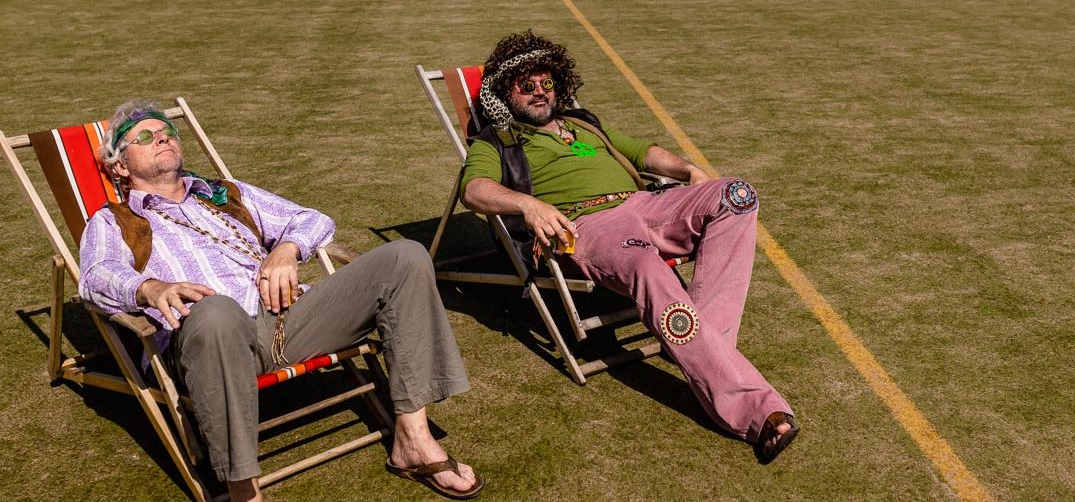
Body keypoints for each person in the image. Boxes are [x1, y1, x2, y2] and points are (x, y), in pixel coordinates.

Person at [79, 102, 484, 501]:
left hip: (290, 318)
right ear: (120, 166)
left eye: (167, 131)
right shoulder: (113, 221)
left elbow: (313, 219)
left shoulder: (226, 194)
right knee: (217, 310)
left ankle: (414, 440)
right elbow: (95, 277)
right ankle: (244, 489)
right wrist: (151, 288)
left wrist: (287, 248)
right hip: (213, 340)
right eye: (145, 137)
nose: (162, 137)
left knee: (405, 257)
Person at [459, 32, 800, 465]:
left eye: (546, 83)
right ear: (506, 92)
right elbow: (475, 190)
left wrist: (689, 170)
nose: (539, 92)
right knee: (645, 264)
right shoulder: (499, 141)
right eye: (526, 85)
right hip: (586, 225)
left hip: (646, 204)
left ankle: (706, 362)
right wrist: (527, 204)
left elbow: (642, 152)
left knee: (736, 195)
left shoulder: (583, 123)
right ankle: (754, 409)